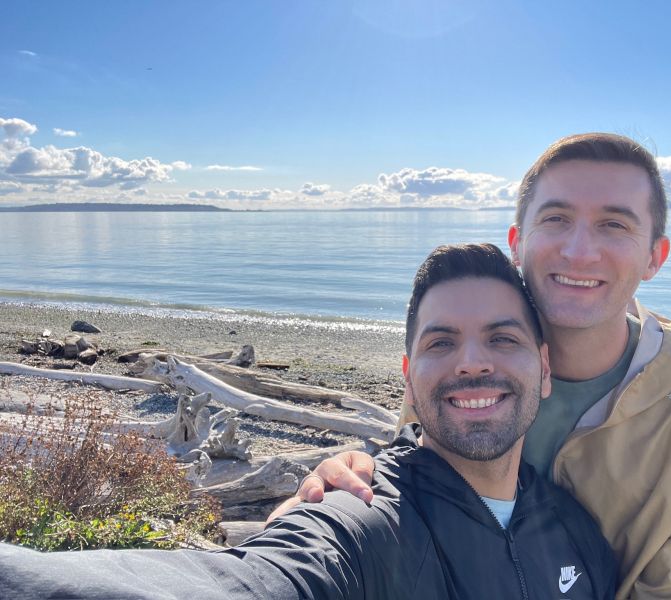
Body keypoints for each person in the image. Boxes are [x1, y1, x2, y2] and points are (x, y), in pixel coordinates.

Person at [276, 134, 671, 599]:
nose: (579, 250)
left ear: (654, 257)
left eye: (614, 224)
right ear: (517, 241)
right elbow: (412, 479)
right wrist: (343, 488)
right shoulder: (461, 363)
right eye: (556, 218)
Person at [0, 243, 616, 600]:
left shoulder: (582, 536)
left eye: (502, 339)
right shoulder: (366, 518)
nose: (472, 363)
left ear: (543, 367)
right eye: (441, 343)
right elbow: (257, 583)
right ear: (408, 373)